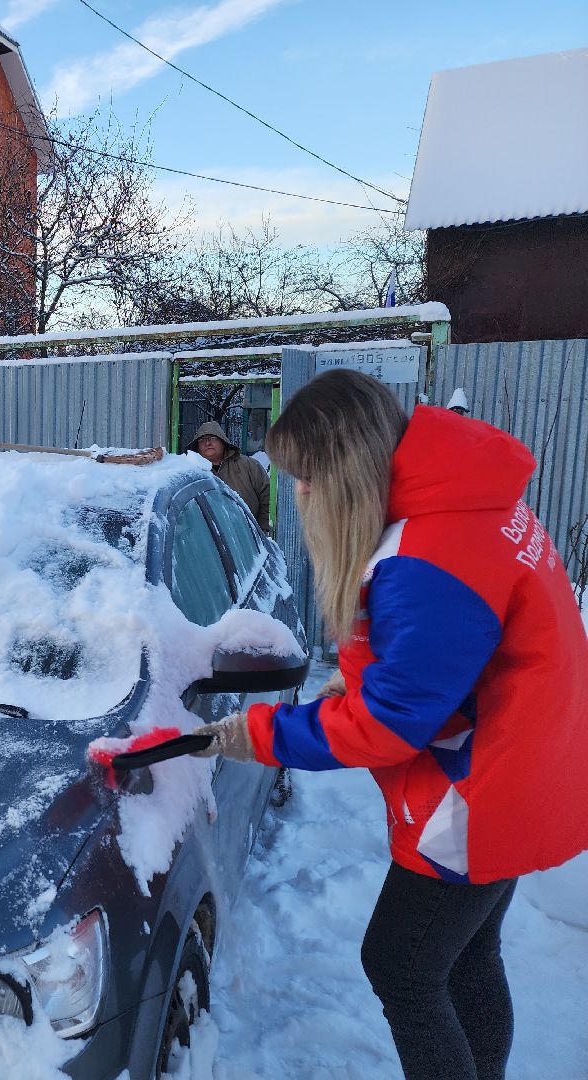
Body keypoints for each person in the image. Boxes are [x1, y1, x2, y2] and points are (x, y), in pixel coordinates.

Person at [190, 369, 588, 1080]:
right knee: (467, 958)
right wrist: (381, 669)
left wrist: (262, 734)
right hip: (536, 765)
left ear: (343, 472)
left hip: (485, 794)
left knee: (401, 967)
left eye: (305, 478)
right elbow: (465, 648)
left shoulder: (424, 559)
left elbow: (389, 725)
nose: (300, 494)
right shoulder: (471, 502)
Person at [186, 421, 271, 531]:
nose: (207, 443)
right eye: (202, 440)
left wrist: (261, 530)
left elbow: (267, 498)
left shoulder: (249, 465)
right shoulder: (192, 471)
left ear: (223, 441)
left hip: (248, 537)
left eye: (212, 438)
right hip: (207, 540)